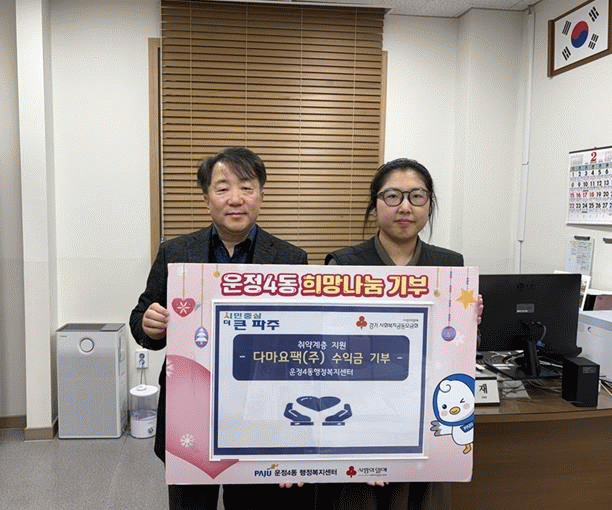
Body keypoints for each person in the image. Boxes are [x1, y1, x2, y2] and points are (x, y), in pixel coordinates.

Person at [130, 147, 310, 510]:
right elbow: (140, 320)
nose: (236, 199)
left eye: (247, 187)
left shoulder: (291, 259)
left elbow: (302, 338)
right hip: (190, 405)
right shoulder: (175, 253)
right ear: (207, 197)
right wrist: (150, 323)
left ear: (261, 195)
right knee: (191, 504)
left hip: (259, 411)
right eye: (223, 188)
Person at [325, 158, 482, 510]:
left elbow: (458, 352)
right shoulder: (345, 264)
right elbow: (331, 353)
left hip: (424, 417)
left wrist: (471, 324)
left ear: (429, 204)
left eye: (417, 196)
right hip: (359, 418)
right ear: (375, 204)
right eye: (393, 196)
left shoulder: (449, 266)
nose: (405, 207)